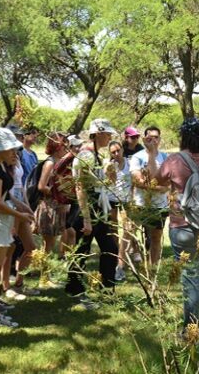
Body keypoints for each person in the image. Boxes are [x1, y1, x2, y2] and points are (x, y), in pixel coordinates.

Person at [143, 117, 199, 337]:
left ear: (183, 137)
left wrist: (153, 154)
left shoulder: (174, 160)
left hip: (184, 228)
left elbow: (156, 182)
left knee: (190, 278)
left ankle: (190, 330)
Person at [0, 127, 35, 328]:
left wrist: (23, 206)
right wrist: (20, 215)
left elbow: (6, 195)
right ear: (0, 149)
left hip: (3, 217)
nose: (14, 152)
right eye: (10, 148)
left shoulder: (0, 165)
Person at [65, 119, 121, 309]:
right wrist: (87, 219)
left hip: (98, 207)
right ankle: (76, 290)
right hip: (87, 209)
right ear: (97, 134)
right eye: (106, 134)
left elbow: (103, 185)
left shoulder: (97, 155)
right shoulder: (86, 156)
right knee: (82, 251)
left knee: (109, 248)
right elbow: (80, 188)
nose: (109, 137)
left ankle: (107, 290)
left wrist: (110, 172)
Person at [126, 126, 170, 277]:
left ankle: (153, 271)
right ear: (145, 139)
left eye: (156, 137)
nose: (154, 140)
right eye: (150, 138)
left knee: (156, 237)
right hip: (141, 203)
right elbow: (138, 181)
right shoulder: (137, 157)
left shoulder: (165, 157)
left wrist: (156, 186)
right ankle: (128, 263)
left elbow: (168, 181)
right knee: (131, 233)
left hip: (160, 205)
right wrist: (158, 187)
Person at [34, 132, 69, 256]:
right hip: (49, 207)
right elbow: (41, 186)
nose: (67, 149)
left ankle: (46, 268)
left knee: (56, 240)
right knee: (48, 244)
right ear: (57, 147)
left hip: (59, 207)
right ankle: (41, 271)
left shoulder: (62, 162)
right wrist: (58, 193)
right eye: (64, 146)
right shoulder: (50, 163)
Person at [106, 141, 132, 281]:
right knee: (114, 228)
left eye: (118, 150)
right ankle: (117, 257)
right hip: (112, 198)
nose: (116, 154)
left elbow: (134, 181)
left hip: (127, 200)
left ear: (122, 149)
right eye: (113, 152)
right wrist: (109, 171)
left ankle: (122, 260)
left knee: (127, 229)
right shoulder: (109, 165)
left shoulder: (130, 163)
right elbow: (110, 183)